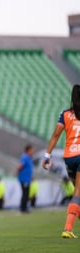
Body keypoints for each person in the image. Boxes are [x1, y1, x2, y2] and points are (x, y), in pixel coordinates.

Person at [42, 84, 80, 238]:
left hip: (69, 157)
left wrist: (47, 156)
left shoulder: (65, 114)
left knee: (77, 195)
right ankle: (67, 228)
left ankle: (70, 225)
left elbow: (56, 135)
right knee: (78, 193)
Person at [17, 144, 34, 213]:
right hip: (24, 179)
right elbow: (20, 166)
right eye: (31, 150)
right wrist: (18, 172)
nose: (32, 151)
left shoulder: (29, 158)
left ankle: (24, 208)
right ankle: (22, 208)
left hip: (27, 179)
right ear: (28, 150)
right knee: (25, 193)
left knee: (26, 194)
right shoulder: (25, 157)